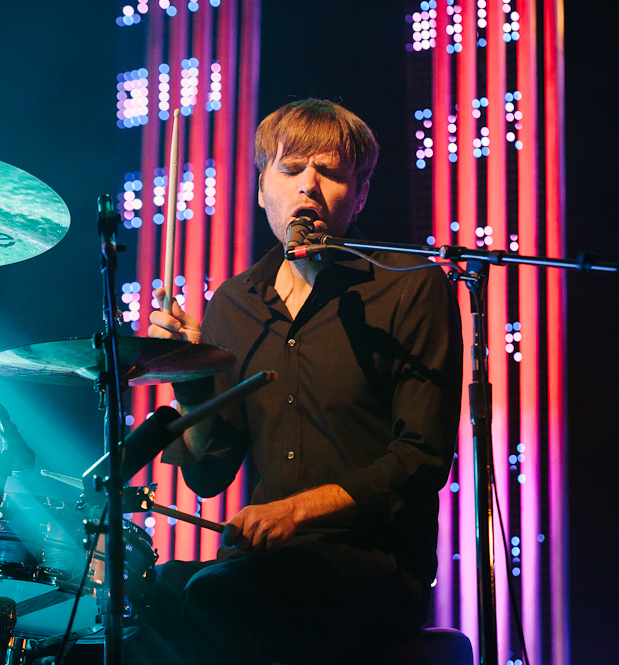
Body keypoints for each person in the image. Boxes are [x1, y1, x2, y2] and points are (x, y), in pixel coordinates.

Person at [141, 98, 462, 665]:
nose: (308, 187)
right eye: (290, 170)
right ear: (261, 189)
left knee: (221, 598)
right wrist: (187, 379)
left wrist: (297, 510)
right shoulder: (233, 305)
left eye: (331, 173)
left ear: (359, 195)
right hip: (262, 566)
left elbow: (423, 456)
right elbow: (211, 475)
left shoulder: (410, 286)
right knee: (145, 599)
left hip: (374, 563)